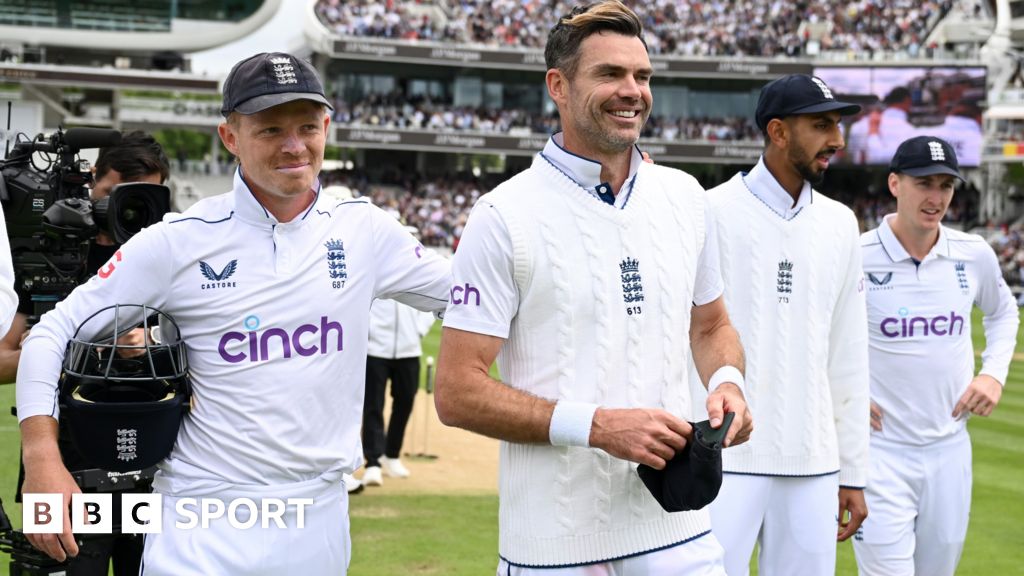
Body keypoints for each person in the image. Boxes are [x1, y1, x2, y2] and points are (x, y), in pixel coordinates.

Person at [16, 52, 451, 575]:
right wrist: (42, 457)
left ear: (327, 127)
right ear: (230, 137)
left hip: (320, 517)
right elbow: (52, 335)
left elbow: (471, 295)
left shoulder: (365, 231)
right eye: (270, 130)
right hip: (205, 521)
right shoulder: (179, 240)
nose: (294, 146)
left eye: (307, 127)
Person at [435, 2, 752, 573]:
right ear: (558, 85)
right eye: (610, 74)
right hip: (554, 544)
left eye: (642, 76)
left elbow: (710, 325)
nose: (632, 90)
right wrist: (597, 426)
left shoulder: (684, 197)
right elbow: (456, 392)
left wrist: (728, 382)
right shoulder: (502, 214)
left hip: (679, 528)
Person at [702, 73, 870, 576]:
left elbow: (848, 354)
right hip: (726, 459)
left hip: (813, 464)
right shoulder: (710, 212)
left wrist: (855, 471)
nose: (837, 140)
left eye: (838, 126)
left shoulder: (841, 223)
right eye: (821, 125)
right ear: (777, 132)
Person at [854, 136, 1019, 576]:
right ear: (894, 183)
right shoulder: (857, 255)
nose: (937, 198)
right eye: (924, 183)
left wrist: (994, 375)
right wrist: (839, 393)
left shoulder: (973, 253)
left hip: (950, 450)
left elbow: (1004, 313)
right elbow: (815, 333)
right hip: (879, 453)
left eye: (946, 185)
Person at [361, 294, 435, 486]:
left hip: (409, 350)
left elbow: (430, 303)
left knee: (405, 402)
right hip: (375, 350)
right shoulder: (374, 269)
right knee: (373, 405)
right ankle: (373, 463)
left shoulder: (412, 270)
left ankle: (391, 454)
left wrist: (418, 330)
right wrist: (369, 331)